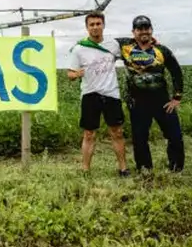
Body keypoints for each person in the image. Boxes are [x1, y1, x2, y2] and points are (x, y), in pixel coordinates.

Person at [118, 15, 185, 173]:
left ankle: (176, 168)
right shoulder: (124, 47)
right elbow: (102, 42)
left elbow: (176, 72)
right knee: (139, 138)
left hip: (161, 100)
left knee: (174, 135)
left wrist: (176, 98)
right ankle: (144, 168)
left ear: (151, 30)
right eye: (139, 29)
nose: (143, 32)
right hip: (137, 101)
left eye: (146, 28)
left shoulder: (161, 50)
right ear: (133, 32)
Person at [67, 11, 130, 177]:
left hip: (111, 93)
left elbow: (133, 51)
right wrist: (76, 74)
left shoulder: (114, 45)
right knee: (89, 134)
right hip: (90, 94)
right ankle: (85, 170)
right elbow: (70, 74)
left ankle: (123, 168)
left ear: (103, 25)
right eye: (92, 24)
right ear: (87, 27)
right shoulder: (79, 49)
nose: (95, 27)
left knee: (117, 132)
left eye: (98, 24)